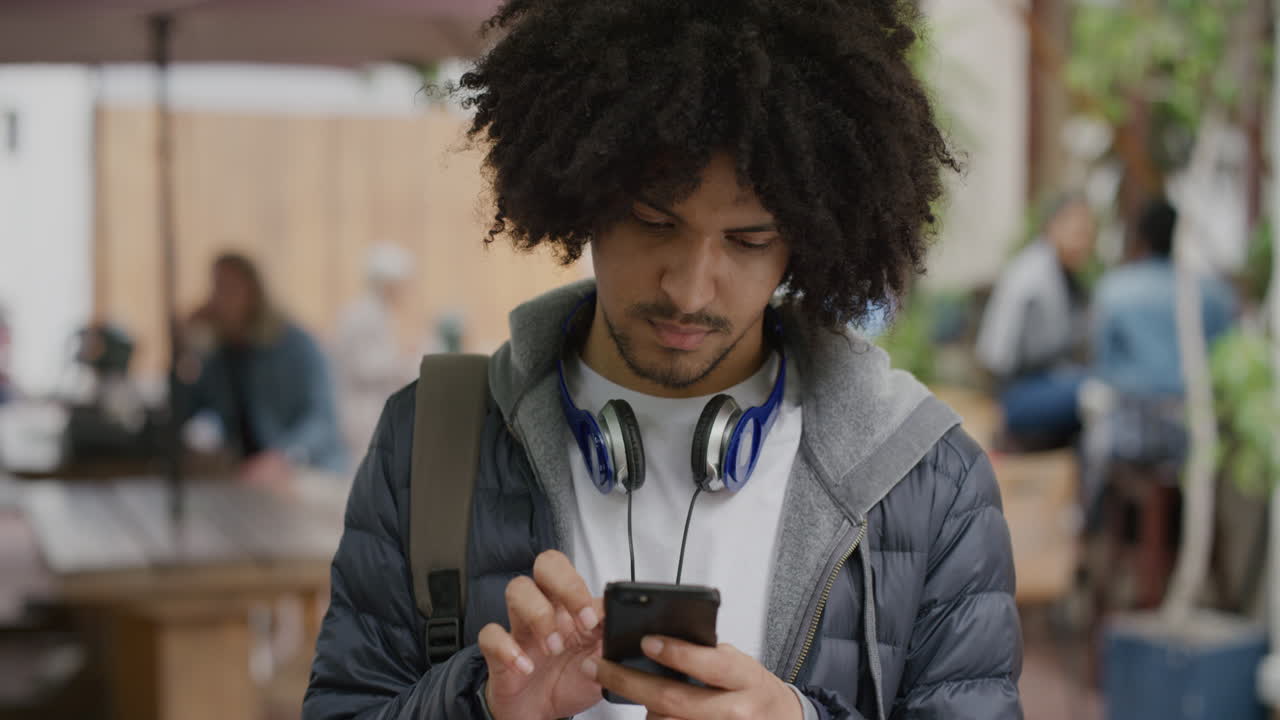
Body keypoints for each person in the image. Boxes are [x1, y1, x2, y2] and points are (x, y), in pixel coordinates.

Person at [305, 2, 1021, 719]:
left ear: (809, 232)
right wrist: (481, 708)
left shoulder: (930, 482)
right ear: (580, 189)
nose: (688, 288)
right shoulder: (431, 440)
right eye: (653, 221)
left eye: (748, 239)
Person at [1079, 198, 1237, 521]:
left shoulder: (1115, 289)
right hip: (1194, 437)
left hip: (1130, 437)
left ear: (1140, 238)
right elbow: (1225, 361)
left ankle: (1087, 524)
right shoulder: (1214, 294)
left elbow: (1102, 365)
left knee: (1090, 426)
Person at [180, 253, 347, 483]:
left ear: (254, 294)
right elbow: (185, 410)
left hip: (306, 470)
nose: (219, 300)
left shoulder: (294, 344)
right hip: (247, 477)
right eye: (216, 289)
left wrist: (284, 457)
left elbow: (322, 419)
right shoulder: (220, 356)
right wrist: (185, 348)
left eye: (229, 289)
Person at [976, 194, 1096, 450]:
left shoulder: (1062, 273)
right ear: (1053, 227)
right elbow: (1008, 356)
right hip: (1017, 394)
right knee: (1096, 393)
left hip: (1043, 385)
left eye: (1088, 234)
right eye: (1078, 232)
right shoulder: (1033, 277)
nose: (1085, 242)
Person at [334, 243, 418, 454]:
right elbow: (364, 367)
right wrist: (400, 359)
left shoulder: (379, 313)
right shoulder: (362, 313)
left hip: (371, 407)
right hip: (361, 411)